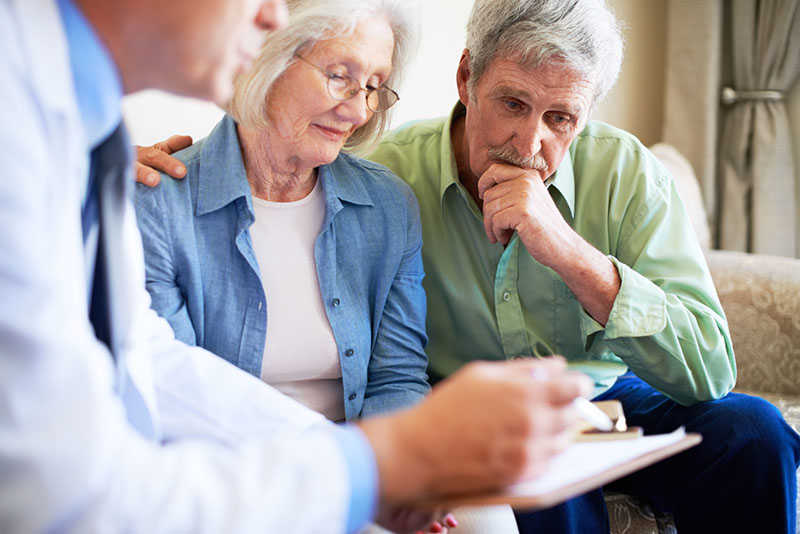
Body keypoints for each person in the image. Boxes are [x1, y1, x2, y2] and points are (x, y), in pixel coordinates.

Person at [139, 0, 800, 532]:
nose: (530, 141)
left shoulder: (626, 174)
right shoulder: (391, 177)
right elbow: (261, 157)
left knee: (755, 433)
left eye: (561, 118)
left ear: (586, 114)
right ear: (467, 79)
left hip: (601, 396)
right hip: (478, 406)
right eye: (512, 103)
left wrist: (566, 250)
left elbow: (711, 366)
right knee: (530, 477)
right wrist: (117, 168)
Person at [0, 0, 593, 532]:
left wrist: (383, 462)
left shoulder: (82, 128)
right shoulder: (121, 174)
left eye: (374, 85)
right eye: (339, 74)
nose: (269, 20)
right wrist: (372, 468)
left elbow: (154, 361)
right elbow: (69, 492)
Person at [134, 2, 514, 530]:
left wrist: (403, 479)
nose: (359, 111)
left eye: (374, 86)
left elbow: (396, 379)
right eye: (341, 77)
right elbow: (174, 402)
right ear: (266, 57)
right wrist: (345, 478)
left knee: (489, 517)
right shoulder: (158, 203)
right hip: (237, 478)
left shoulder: (387, 205)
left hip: (365, 459)